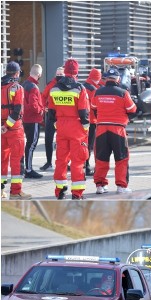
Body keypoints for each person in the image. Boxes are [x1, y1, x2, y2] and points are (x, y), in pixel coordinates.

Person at [48, 59, 91, 200]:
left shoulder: (54, 88)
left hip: (61, 126)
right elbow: (84, 112)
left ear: (65, 71)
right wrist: (86, 127)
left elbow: (51, 112)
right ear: (76, 72)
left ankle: (60, 190)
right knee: (78, 160)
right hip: (76, 127)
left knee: (61, 159)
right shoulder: (79, 88)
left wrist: (56, 124)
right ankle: (77, 193)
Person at [91, 67, 137, 194]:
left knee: (101, 158)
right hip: (118, 129)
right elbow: (132, 109)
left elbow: (93, 108)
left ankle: (100, 186)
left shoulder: (98, 92)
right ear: (118, 79)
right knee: (121, 158)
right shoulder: (123, 92)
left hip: (101, 128)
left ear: (106, 78)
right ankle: (121, 186)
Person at [1, 61, 31, 199]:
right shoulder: (17, 88)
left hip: (1, 129)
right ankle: (16, 192)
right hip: (14, 129)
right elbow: (17, 111)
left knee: (2, 159)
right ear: (17, 73)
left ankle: (1, 190)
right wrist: (7, 126)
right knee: (17, 160)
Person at [22, 64, 44, 179]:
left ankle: (25, 168)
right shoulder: (34, 87)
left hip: (25, 119)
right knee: (31, 145)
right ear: (39, 74)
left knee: (28, 144)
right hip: (33, 119)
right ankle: (29, 169)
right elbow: (34, 106)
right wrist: (41, 111)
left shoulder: (24, 84)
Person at [40, 66, 64, 171]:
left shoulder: (69, 84)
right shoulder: (51, 84)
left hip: (63, 115)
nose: (59, 76)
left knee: (63, 141)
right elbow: (43, 96)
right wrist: (44, 107)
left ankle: (64, 162)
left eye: (61, 75)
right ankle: (49, 162)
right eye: (57, 75)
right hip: (51, 115)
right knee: (48, 139)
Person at [84, 68, 102, 176]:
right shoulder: (94, 89)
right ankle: (86, 166)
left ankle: (82, 165)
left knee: (82, 144)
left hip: (82, 120)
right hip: (92, 121)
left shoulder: (82, 86)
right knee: (89, 145)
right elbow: (96, 107)